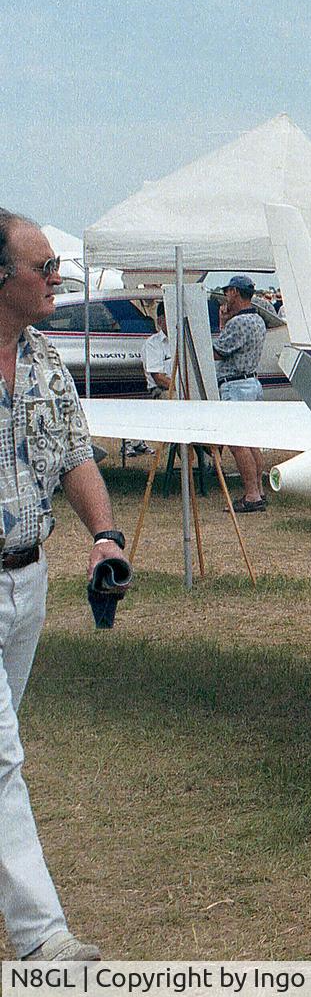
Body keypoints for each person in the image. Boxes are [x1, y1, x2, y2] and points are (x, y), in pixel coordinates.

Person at [0, 209, 119, 962]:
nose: (57, 278)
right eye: (43, 267)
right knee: (2, 755)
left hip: (27, 578)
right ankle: (43, 939)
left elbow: (75, 455)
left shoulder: (45, 360)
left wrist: (104, 533)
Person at [212, 276, 268, 511]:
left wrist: (219, 327)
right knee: (251, 442)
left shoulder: (239, 323)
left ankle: (251, 495)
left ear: (235, 292)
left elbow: (218, 351)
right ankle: (259, 491)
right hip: (251, 382)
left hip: (235, 385)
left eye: (227, 292)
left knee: (237, 443)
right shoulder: (257, 319)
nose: (226, 297)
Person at [140, 304, 173, 398]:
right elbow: (159, 378)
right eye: (169, 318)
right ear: (160, 321)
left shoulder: (184, 341)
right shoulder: (152, 344)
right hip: (163, 389)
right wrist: (180, 389)